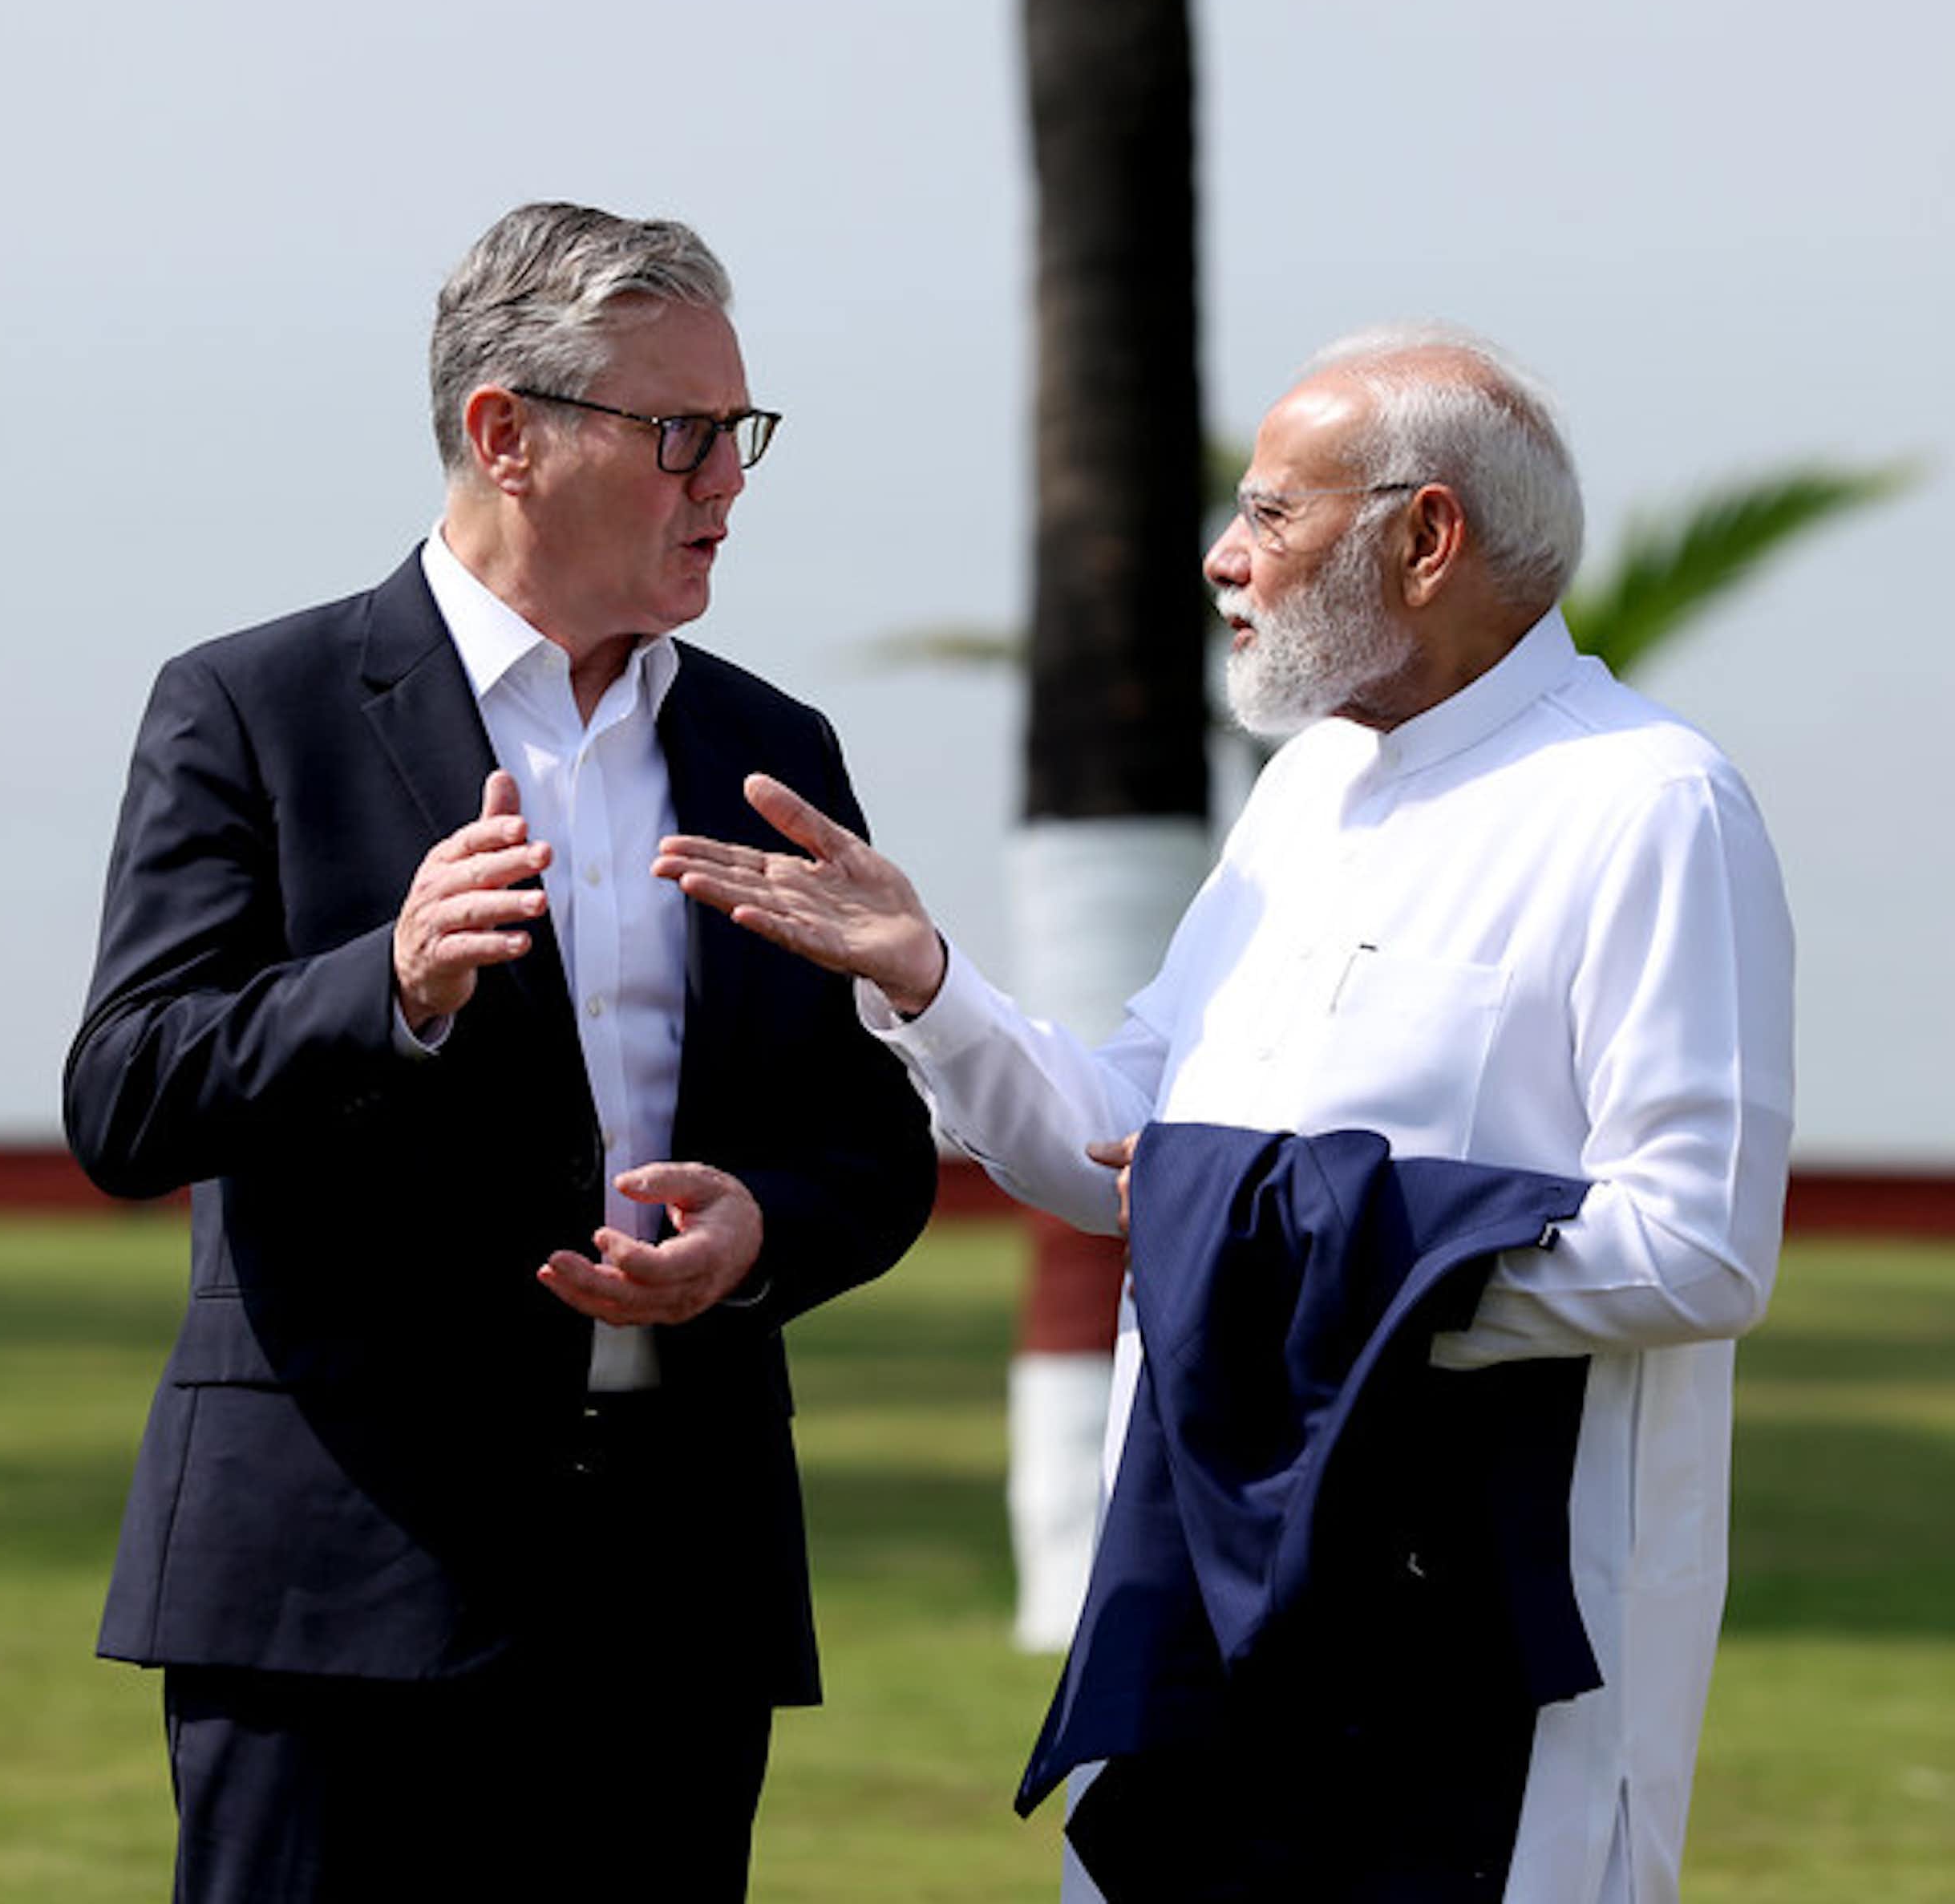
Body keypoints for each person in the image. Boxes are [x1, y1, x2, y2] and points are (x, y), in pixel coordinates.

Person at [652, 326, 1795, 1902]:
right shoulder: (1308, 790)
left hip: (1484, 1632)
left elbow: (1699, 1248)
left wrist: (1295, 1254)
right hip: (1201, 1596)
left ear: (1425, 537)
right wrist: (926, 981)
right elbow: (1131, 1146)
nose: (1222, 556)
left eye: (1269, 512)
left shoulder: (1646, 804)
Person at [64, 201, 937, 1903]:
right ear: (505, 434)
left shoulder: (769, 745)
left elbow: (872, 1143)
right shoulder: (253, 706)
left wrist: (763, 1229)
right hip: (335, 1584)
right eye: (681, 433)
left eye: (739, 432)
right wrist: (385, 984)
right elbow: (126, 1095)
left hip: (672, 1600)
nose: (726, 481)